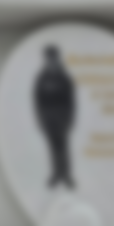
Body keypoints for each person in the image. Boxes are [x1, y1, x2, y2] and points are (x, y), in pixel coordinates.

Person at [34, 45, 76, 189]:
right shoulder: (41, 78)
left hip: (62, 115)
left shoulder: (64, 77)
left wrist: (70, 119)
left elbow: (71, 101)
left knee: (63, 146)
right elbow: (37, 101)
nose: (51, 61)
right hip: (48, 116)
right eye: (49, 58)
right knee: (52, 147)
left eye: (54, 58)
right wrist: (40, 119)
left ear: (57, 58)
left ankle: (66, 175)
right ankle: (56, 174)